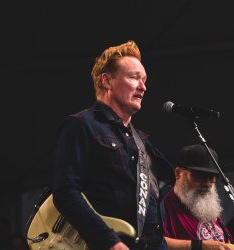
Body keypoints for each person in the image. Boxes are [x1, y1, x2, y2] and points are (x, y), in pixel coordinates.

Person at [52, 40, 174, 250]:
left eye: (144, 80)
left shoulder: (142, 142)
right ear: (107, 81)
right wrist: (108, 241)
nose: (143, 87)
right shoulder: (82, 125)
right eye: (134, 78)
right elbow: (65, 192)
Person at [160, 144, 234, 250]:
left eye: (212, 177)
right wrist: (198, 246)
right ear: (178, 173)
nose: (207, 184)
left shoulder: (207, 209)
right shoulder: (163, 202)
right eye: (199, 176)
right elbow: (150, 242)